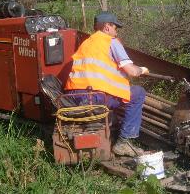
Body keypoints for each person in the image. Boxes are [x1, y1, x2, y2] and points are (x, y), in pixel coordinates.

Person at [64, 11, 149, 157]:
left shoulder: (87, 42)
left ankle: (114, 127)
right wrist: (142, 69)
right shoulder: (111, 42)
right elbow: (131, 72)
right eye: (116, 27)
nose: (116, 31)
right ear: (107, 27)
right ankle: (124, 142)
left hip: (74, 96)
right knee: (138, 93)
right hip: (94, 98)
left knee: (118, 93)